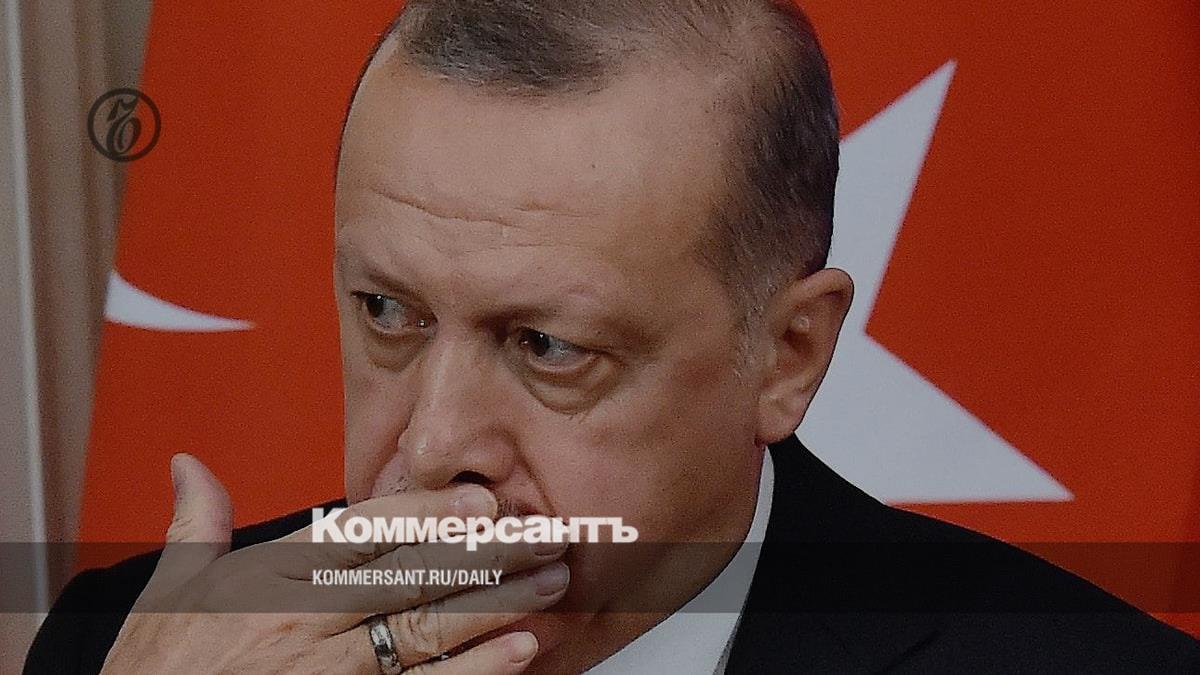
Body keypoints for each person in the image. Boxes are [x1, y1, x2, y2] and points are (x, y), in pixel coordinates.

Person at [26, 1, 1199, 673]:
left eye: (549, 346)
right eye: (388, 312)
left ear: (788, 356)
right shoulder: (131, 647)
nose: (433, 447)